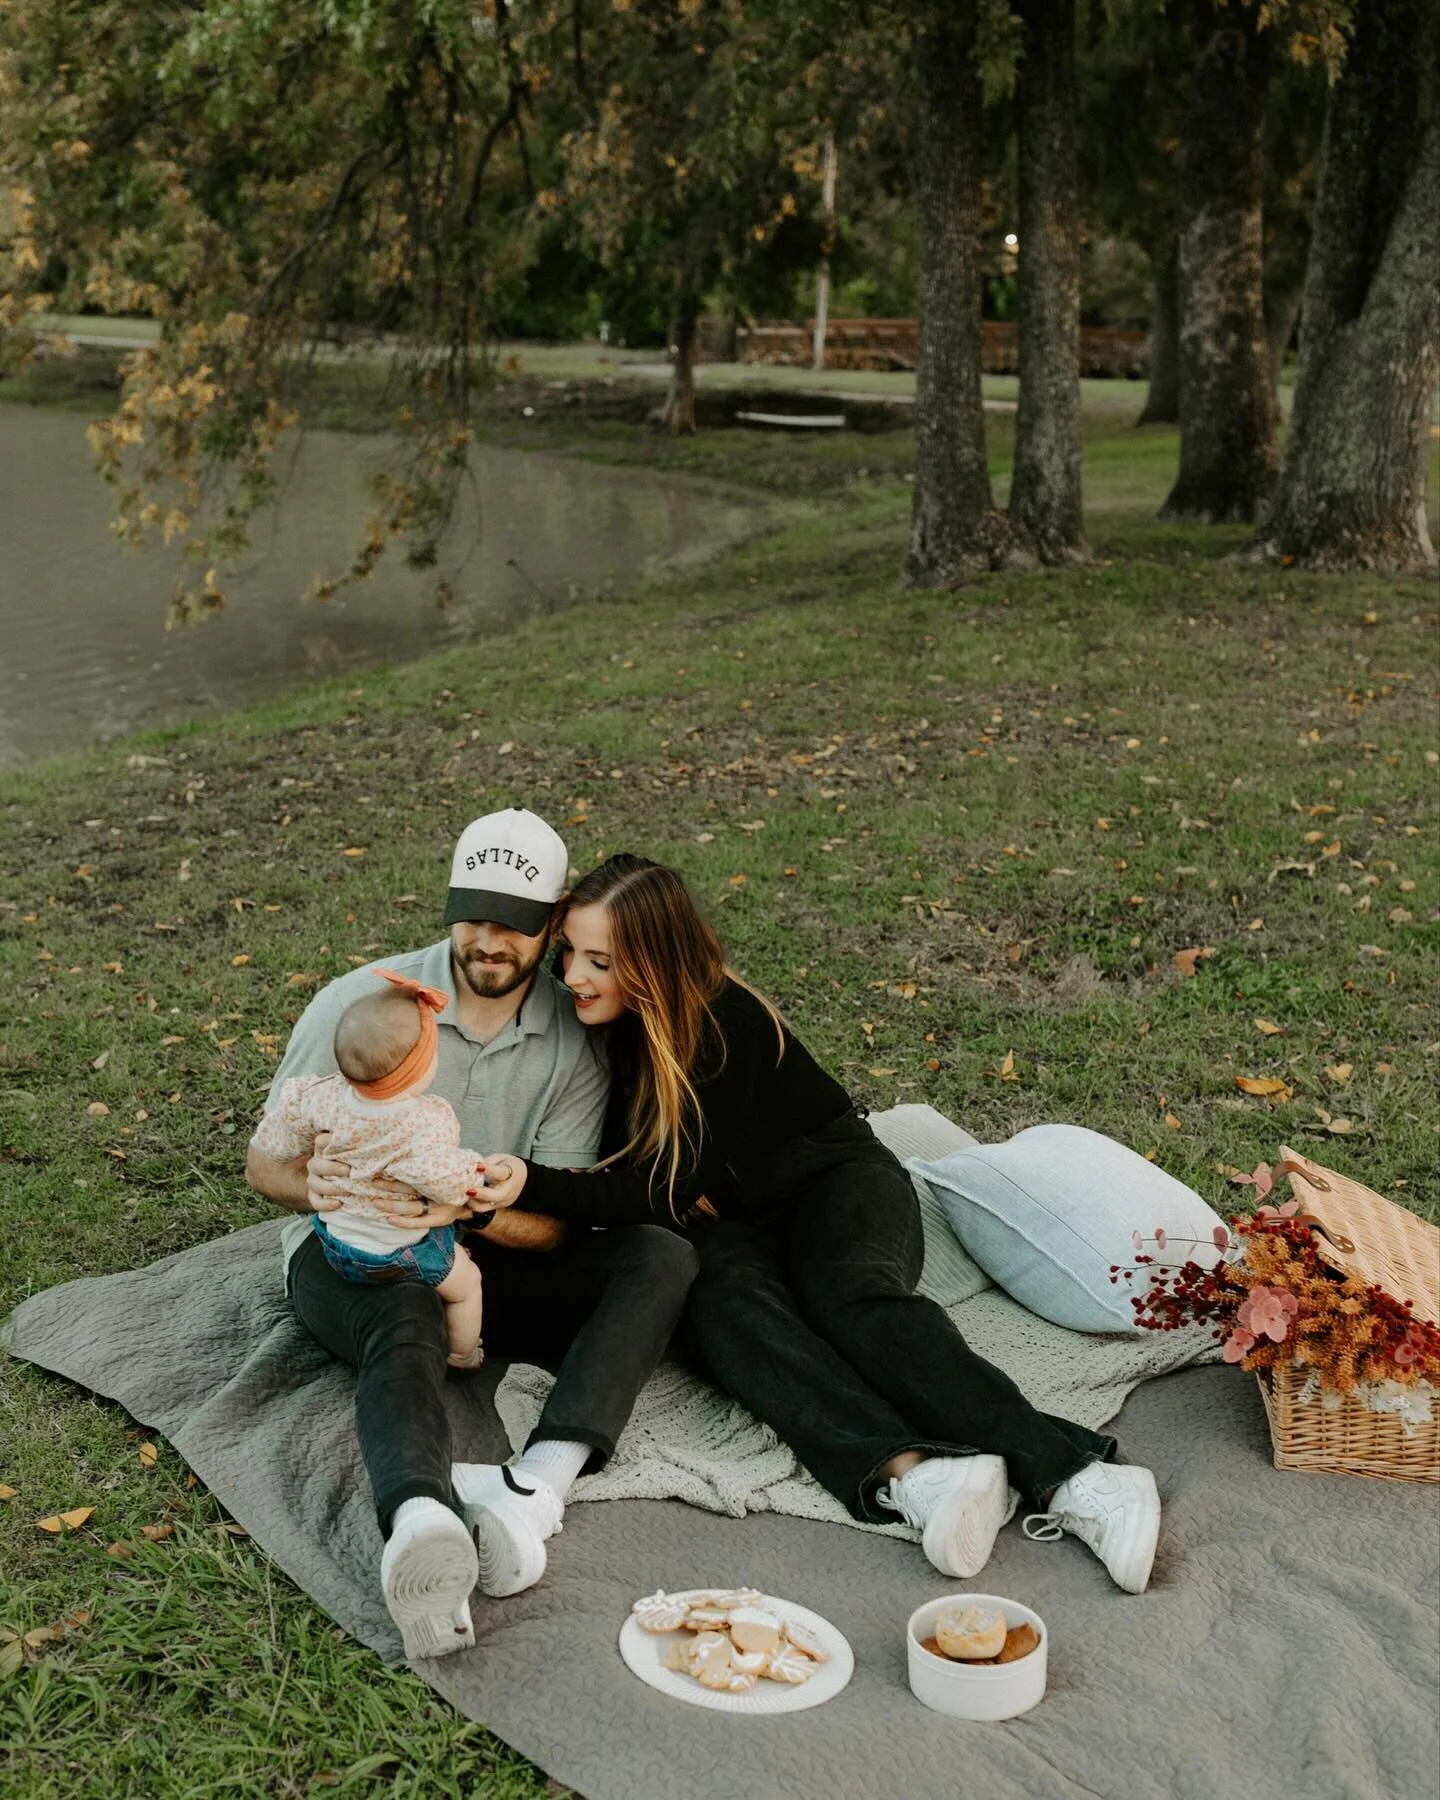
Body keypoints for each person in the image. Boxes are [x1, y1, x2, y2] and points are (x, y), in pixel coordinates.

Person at [469, 854, 1163, 1596]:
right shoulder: (599, 1024)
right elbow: (644, 1184)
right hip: (733, 1227)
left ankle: (1081, 1480)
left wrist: (532, 1183)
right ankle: (916, 1477)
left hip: (835, 1185)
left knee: (849, 1302)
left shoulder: (720, 1024)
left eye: (600, 960)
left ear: (656, 960)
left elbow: (658, 1188)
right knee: (718, 1308)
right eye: (570, 952)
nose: (572, 974)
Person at [245, 812, 698, 1660]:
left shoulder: (576, 1033)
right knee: (405, 1311)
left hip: (480, 1245)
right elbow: (262, 1164)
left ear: (555, 918)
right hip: (354, 1249)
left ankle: (540, 1486)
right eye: (472, 914)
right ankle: (418, 1520)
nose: (487, 940)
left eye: (515, 921)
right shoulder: (358, 1001)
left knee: (660, 1254)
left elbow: (557, 1223)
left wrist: (468, 1212)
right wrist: (314, 1184)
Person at [250, 969, 502, 1369]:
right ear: (420, 1069)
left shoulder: (323, 1097)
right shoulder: (421, 1125)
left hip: (336, 1241)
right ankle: (463, 1353)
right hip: (393, 1253)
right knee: (467, 1283)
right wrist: (477, 1175)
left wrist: (281, 1150)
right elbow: (448, 1181)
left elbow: (279, 1134)